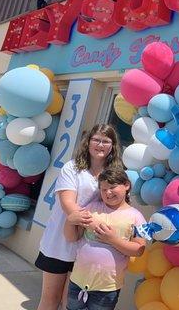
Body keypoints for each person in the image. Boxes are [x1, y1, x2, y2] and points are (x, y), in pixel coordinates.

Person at [36, 124, 123, 310]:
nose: (100, 145)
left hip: (88, 247)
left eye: (106, 141)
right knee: (50, 299)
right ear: (88, 142)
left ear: (112, 146)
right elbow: (69, 207)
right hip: (59, 243)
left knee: (72, 303)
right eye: (96, 139)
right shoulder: (72, 167)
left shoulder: (112, 174)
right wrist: (98, 225)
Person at [64, 167, 146, 310]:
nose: (108, 193)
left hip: (107, 288)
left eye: (113, 187)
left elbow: (139, 250)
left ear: (126, 185)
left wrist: (112, 240)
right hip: (77, 281)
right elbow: (72, 237)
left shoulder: (137, 217)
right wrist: (70, 221)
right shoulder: (91, 207)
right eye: (103, 189)